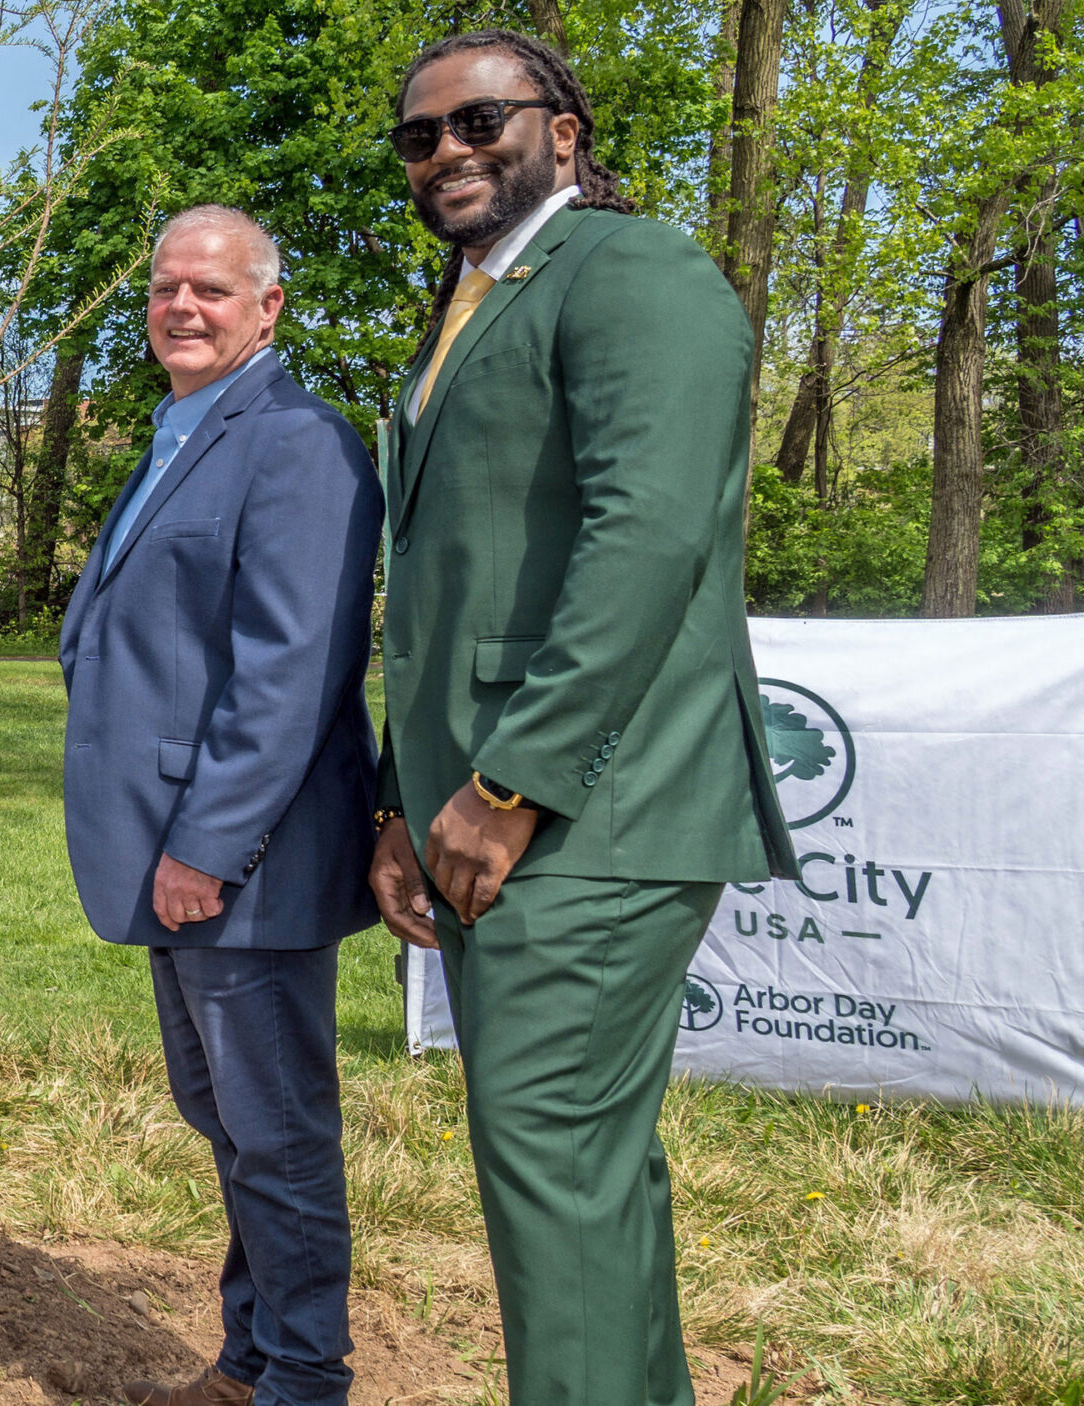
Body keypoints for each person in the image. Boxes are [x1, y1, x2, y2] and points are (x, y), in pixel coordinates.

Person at [366, 31, 798, 1406]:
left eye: (480, 118)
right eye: (420, 137)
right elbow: (447, 595)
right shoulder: (475, 303)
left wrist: (512, 782)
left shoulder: (637, 272)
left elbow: (650, 534)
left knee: (550, 1153)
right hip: (488, 812)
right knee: (574, 1170)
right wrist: (399, 798)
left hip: (585, 808)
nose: (449, 150)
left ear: (564, 125)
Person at [61, 206, 384, 1406]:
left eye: (209, 288)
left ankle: (304, 1377)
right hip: (171, 855)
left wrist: (205, 845)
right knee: (227, 1118)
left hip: (245, 866)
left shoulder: (295, 441)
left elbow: (288, 671)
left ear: (268, 307)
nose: (181, 307)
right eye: (164, 288)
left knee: (278, 1132)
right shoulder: (183, 429)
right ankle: (252, 1358)